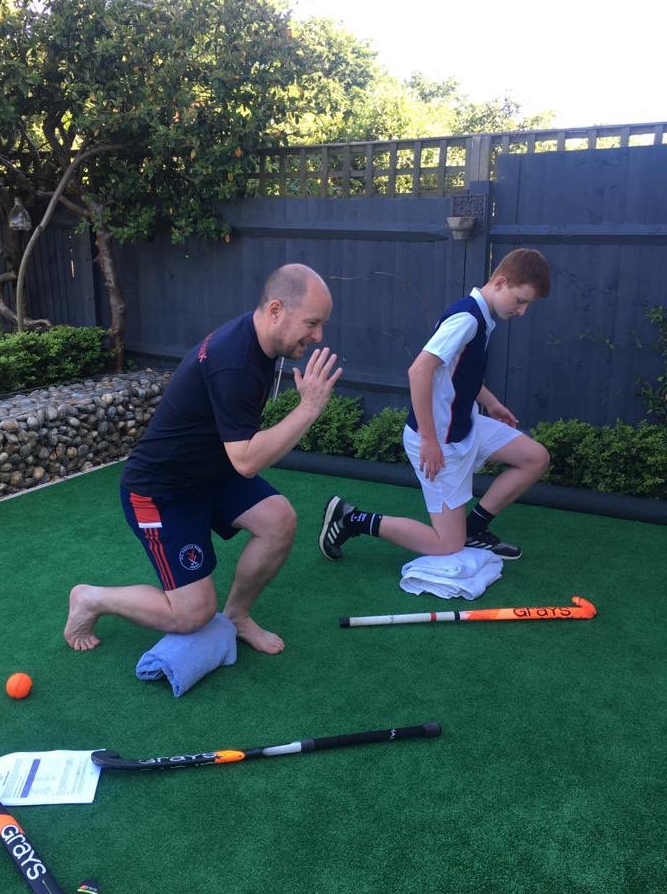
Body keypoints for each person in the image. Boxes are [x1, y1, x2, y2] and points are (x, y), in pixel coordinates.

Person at [64, 263, 341, 655]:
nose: (318, 336)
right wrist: (308, 409)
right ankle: (92, 598)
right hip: (160, 491)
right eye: (312, 323)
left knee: (278, 520)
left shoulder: (258, 341)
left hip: (211, 472)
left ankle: (238, 616)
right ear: (276, 310)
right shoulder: (235, 361)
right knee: (192, 614)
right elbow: (246, 460)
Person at [319, 248, 551, 564]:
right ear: (500, 282)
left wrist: (492, 403)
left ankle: (474, 528)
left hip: (465, 424)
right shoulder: (467, 318)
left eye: (527, 305)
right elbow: (419, 371)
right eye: (521, 300)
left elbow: (455, 372)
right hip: (438, 439)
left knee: (535, 458)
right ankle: (351, 519)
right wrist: (428, 439)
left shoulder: (481, 316)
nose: (522, 311)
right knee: (447, 546)